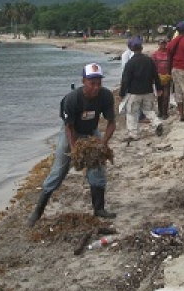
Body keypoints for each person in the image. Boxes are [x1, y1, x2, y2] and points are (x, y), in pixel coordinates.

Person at [28, 63, 117, 227]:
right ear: (84, 81)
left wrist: (102, 144)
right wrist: (74, 147)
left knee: (98, 168)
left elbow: (111, 123)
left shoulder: (105, 96)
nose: (96, 87)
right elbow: (69, 127)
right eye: (92, 83)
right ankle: (37, 213)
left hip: (91, 131)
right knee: (58, 171)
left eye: (99, 83)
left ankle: (99, 208)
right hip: (72, 131)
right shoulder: (72, 99)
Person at [119, 36, 163, 140]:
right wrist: (159, 88)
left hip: (134, 92)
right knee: (148, 110)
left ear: (132, 49)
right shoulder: (149, 60)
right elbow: (155, 75)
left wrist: (122, 93)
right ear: (141, 48)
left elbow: (125, 79)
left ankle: (133, 134)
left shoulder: (130, 63)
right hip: (148, 91)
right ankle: (157, 123)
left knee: (131, 113)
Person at [151, 38, 171, 119]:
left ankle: (165, 113)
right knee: (160, 95)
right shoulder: (155, 54)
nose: (163, 45)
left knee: (166, 95)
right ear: (158, 44)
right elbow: (153, 66)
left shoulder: (169, 53)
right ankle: (160, 111)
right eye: (161, 43)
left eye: (164, 43)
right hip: (158, 77)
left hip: (167, 76)